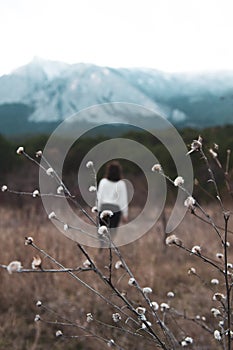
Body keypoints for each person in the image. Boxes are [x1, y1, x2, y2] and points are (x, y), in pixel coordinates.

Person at [97, 161, 128, 229]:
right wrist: (125, 214)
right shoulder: (121, 184)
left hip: (103, 208)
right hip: (115, 210)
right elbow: (123, 200)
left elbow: (99, 197)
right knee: (111, 234)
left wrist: (98, 209)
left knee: (102, 233)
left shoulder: (103, 182)